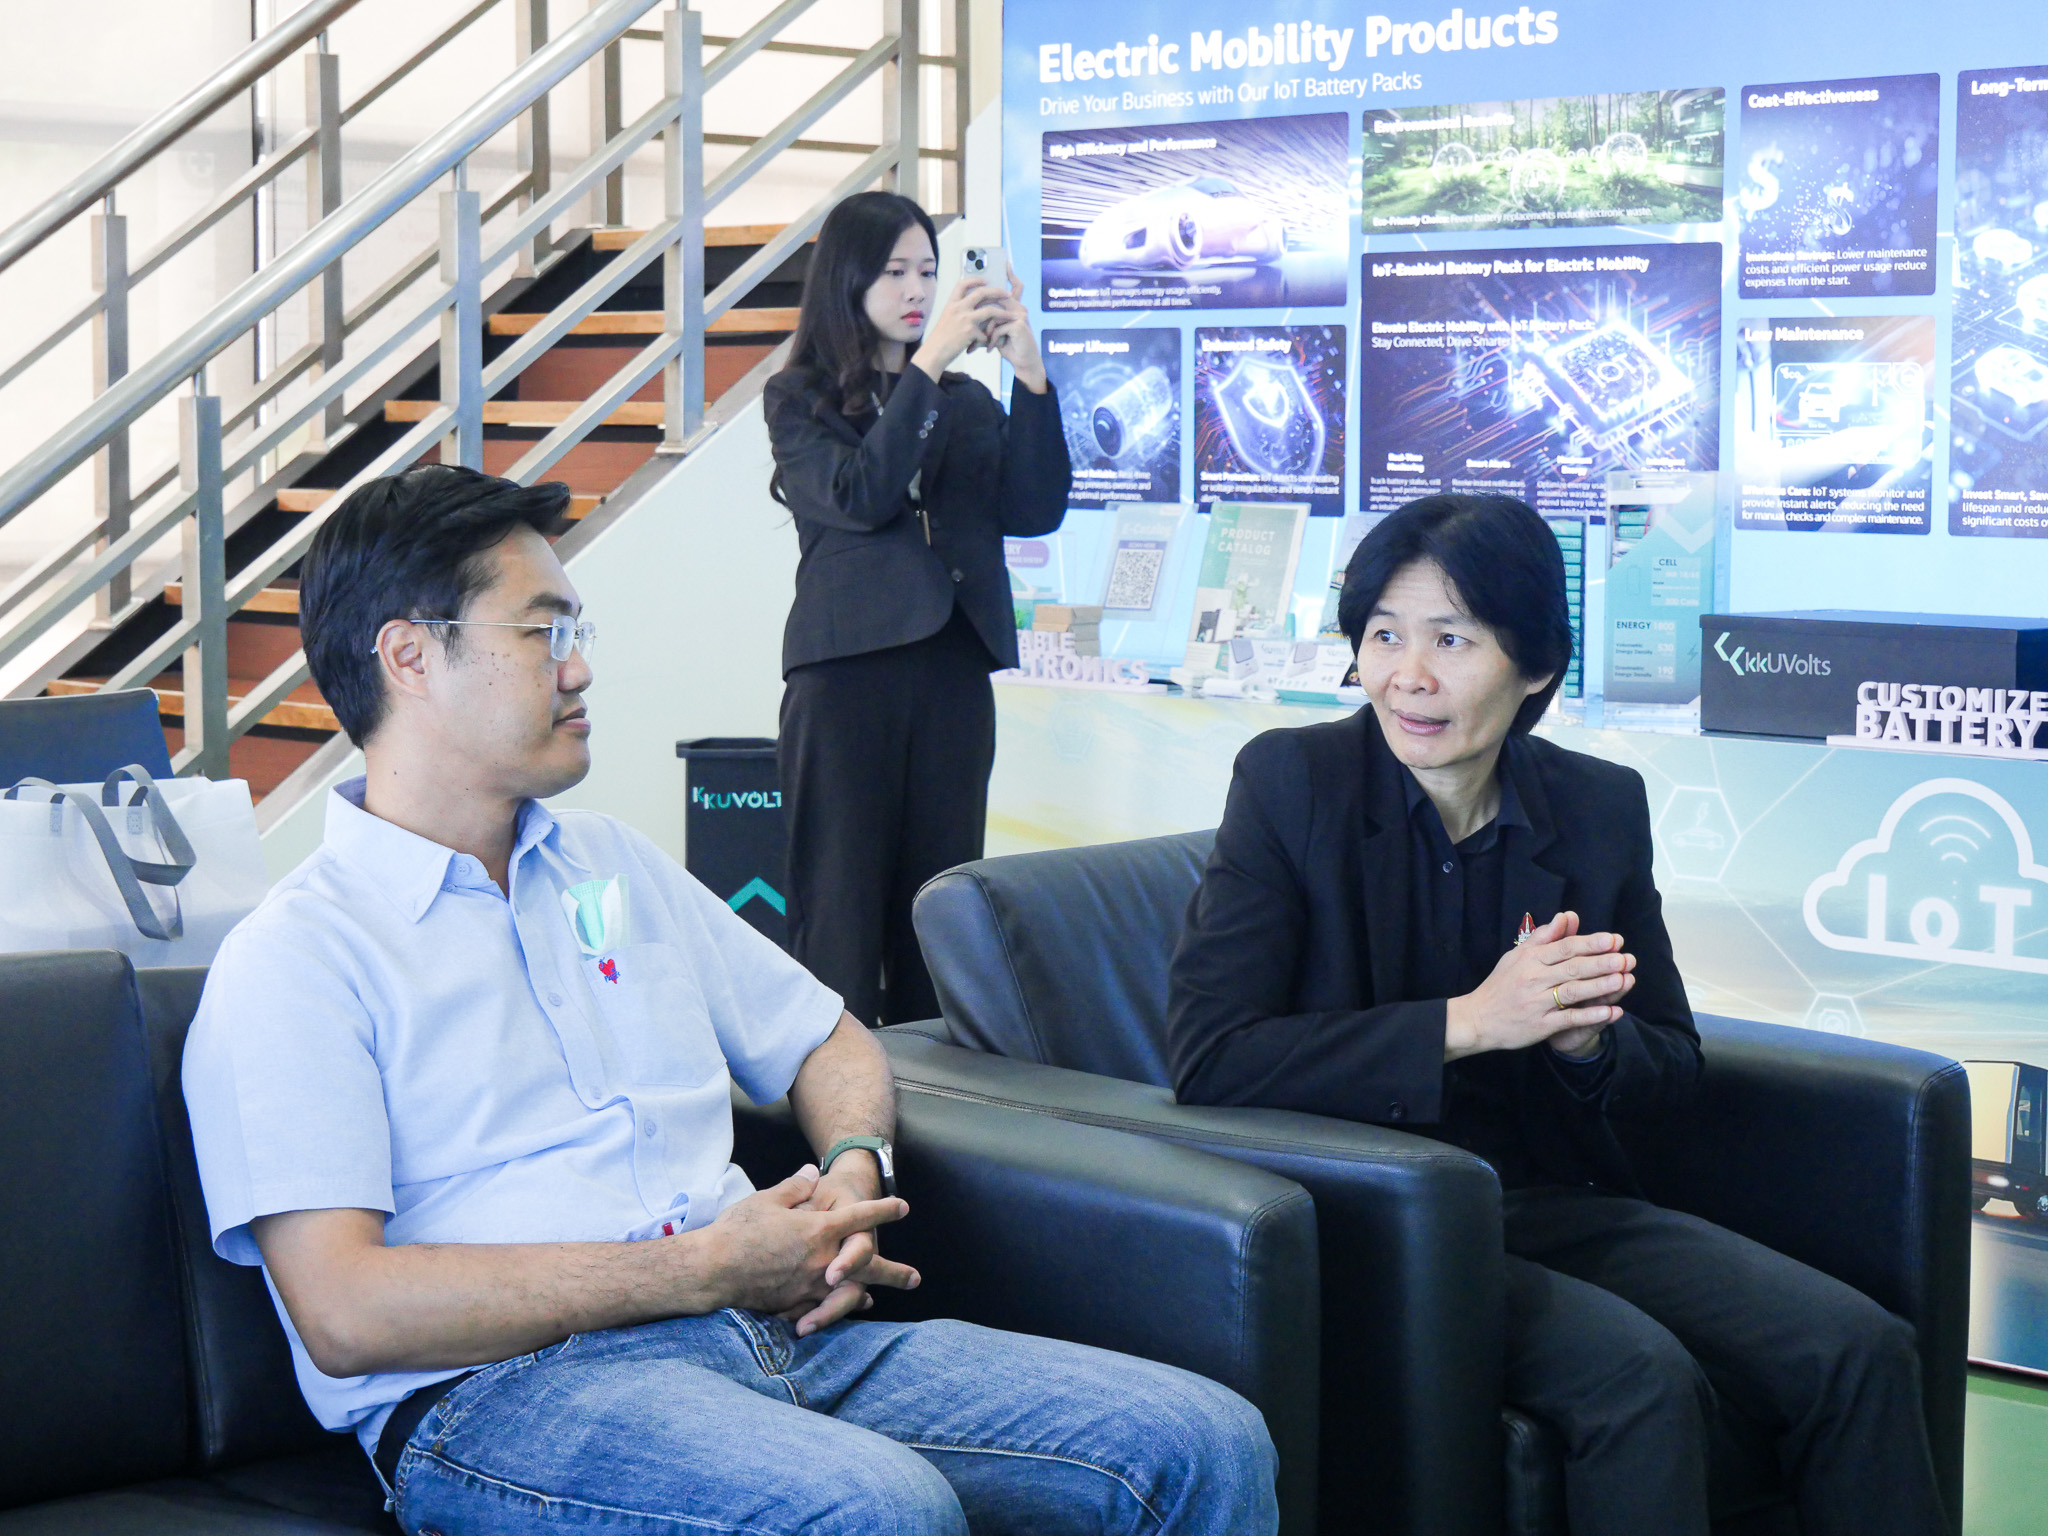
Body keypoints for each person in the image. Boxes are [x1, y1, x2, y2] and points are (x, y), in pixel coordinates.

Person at [181, 464, 1276, 1536]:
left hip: (772, 1334)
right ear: (410, 657)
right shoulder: (298, 957)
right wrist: (701, 1267)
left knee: (1198, 1440)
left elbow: (826, 1037)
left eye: (578, 633)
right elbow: (345, 1312)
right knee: (871, 1509)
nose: (579, 669)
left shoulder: (608, 862)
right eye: (544, 633)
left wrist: (853, 1180)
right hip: (505, 1397)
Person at [1165, 493, 1949, 1536]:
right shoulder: (1290, 783)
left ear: (1534, 665)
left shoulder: (1596, 807)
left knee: (1857, 1348)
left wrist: (1589, 1044)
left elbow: (1671, 1062)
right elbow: (1212, 1056)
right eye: (1384, 636)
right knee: (1639, 1380)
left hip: (1551, 1198)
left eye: (1451, 640)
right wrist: (1469, 1021)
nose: (1407, 675)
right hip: (1380, 1211)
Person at [766, 191, 1070, 1026]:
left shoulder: (966, 401)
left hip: (953, 669)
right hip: (846, 676)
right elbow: (861, 496)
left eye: (929, 272)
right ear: (848, 279)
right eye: (895, 271)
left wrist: (1032, 378)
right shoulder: (798, 399)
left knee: (941, 899)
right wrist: (929, 363)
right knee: (839, 899)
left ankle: (933, 1086)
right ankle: (834, 1093)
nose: (917, 290)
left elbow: (1034, 508)